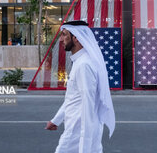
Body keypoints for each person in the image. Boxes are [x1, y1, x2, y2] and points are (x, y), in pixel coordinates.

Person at [45, 20, 115, 153]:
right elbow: (73, 98)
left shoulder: (84, 65)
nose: (61, 39)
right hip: (77, 129)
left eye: (64, 34)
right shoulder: (80, 62)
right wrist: (56, 120)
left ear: (76, 38)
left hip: (77, 132)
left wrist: (84, 146)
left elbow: (88, 106)